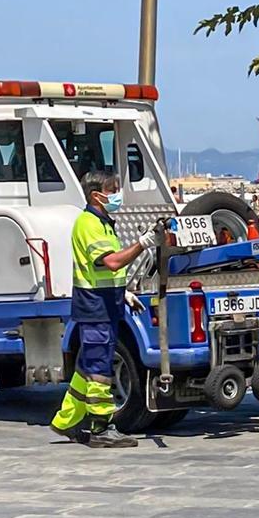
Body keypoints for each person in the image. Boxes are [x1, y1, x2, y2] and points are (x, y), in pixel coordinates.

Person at [50, 171, 159, 448]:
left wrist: (123, 293)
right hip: (95, 306)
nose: (117, 193)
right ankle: (101, 429)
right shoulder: (89, 224)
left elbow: (104, 271)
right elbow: (110, 262)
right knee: (99, 368)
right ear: (97, 195)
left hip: (104, 303)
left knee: (87, 367)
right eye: (113, 189)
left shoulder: (103, 223)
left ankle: (67, 420)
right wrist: (142, 244)